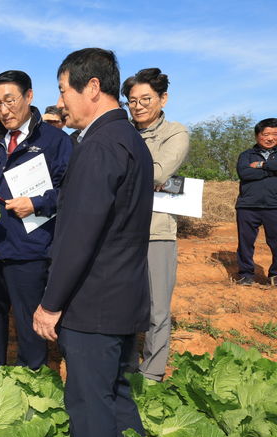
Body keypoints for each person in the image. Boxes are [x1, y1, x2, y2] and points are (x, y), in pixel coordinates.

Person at [33, 48, 153, 437]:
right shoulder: (128, 138)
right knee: (117, 394)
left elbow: (79, 235)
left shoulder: (100, 145)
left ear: (93, 87)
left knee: (88, 404)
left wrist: (50, 304)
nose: (61, 100)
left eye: (64, 89)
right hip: (121, 297)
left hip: (94, 302)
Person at [0, 70, 72, 369]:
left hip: (30, 249)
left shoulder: (55, 141)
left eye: (9, 100)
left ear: (29, 97)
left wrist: (37, 203)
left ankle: (32, 383)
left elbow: (71, 191)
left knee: (30, 324)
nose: (3, 110)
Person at [122, 68, 189, 381]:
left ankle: (152, 374)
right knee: (122, 302)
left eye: (145, 99)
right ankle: (124, 367)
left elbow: (159, 174)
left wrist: (121, 172)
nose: (138, 106)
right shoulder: (122, 130)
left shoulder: (175, 132)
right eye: (132, 100)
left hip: (156, 233)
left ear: (163, 98)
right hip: (120, 232)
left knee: (157, 309)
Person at [235, 118, 277, 285]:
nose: (270, 138)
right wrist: (272, 170)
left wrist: (260, 165)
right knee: (245, 243)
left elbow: (254, 171)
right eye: (266, 134)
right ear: (257, 136)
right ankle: (246, 275)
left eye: (275, 134)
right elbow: (245, 174)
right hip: (247, 206)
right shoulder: (246, 155)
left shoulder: (257, 160)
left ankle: (275, 275)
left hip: (274, 206)